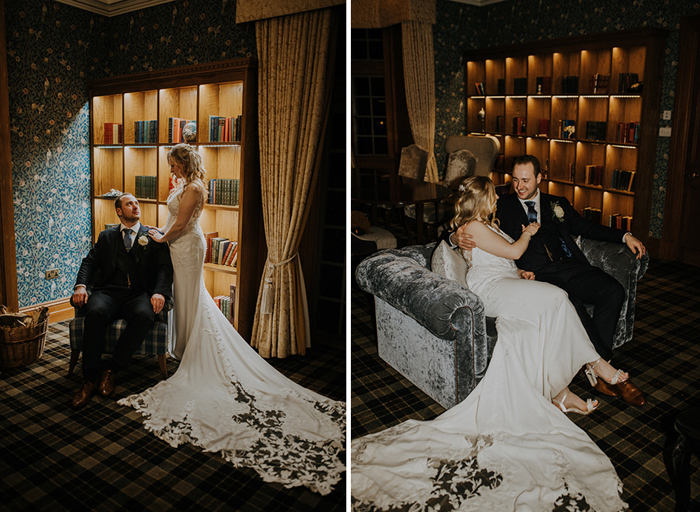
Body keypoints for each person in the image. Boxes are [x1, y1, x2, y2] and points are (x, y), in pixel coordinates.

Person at [352, 176, 639, 511]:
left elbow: (506, 258)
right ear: (483, 200)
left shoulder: (485, 224)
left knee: (531, 327)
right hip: (488, 290)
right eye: (492, 195)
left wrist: (519, 274)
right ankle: (598, 365)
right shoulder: (472, 226)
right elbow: (515, 249)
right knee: (558, 299)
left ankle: (558, 393)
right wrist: (528, 234)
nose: (498, 198)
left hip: (504, 281)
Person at [117, 144, 345, 495]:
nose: (172, 169)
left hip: (188, 247)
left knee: (193, 296)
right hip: (174, 245)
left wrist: (161, 236)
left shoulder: (195, 188)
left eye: (174, 164)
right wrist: (158, 231)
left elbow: (180, 224)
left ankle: (194, 348)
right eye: (170, 165)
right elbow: (170, 220)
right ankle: (183, 345)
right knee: (186, 299)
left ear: (185, 162)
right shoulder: (181, 185)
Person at [450, 155, 646, 405]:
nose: (519, 186)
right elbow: (471, 216)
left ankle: (597, 362)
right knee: (570, 304)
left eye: (525, 180)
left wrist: (625, 235)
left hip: (568, 266)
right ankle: (602, 369)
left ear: (539, 178)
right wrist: (455, 238)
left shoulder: (557, 203)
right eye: (515, 180)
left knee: (613, 291)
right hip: (535, 274)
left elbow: (587, 227)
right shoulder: (501, 204)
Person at [71, 193, 174, 410]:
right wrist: (80, 286)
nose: (136, 206)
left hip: (138, 294)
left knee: (145, 315)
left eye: (137, 203)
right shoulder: (106, 236)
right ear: (119, 211)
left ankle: (111, 370)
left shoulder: (153, 236)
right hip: (108, 292)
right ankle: (88, 379)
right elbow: (89, 262)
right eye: (129, 204)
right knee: (95, 312)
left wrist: (160, 293)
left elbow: (165, 268)